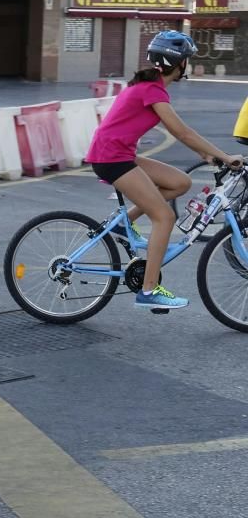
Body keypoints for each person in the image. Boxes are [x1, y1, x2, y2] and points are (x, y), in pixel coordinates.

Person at [86, 30, 244, 311]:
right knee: (164, 217)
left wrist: (209, 154)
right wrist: (221, 155)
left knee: (180, 182)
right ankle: (149, 290)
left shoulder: (151, 86)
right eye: (188, 59)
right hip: (112, 158)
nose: (189, 64)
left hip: (119, 155)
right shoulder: (152, 90)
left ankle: (124, 223)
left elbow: (185, 135)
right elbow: (182, 132)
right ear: (178, 62)